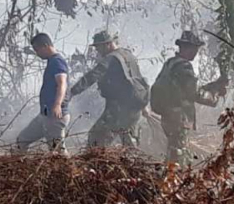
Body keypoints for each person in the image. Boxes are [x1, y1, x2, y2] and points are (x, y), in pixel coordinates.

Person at [151, 31, 225, 164]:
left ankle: (170, 180)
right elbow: (195, 93)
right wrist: (215, 94)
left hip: (168, 117)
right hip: (179, 119)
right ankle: (172, 182)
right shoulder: (184, 66)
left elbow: (184, 89)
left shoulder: (171, 63)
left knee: (174, 152)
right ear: (186, 48)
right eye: (194, 48)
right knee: (178, 156)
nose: (195, 52)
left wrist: (212, 86)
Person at [70, 31, 149, 148]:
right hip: (134, 107)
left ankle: (96, 164)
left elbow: (93, 75)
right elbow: (138, 80)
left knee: (96, 138)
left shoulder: (111, 58)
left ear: (107, 44)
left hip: (119, 108)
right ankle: (133, 163)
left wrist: (72, 92)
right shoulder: (128, 55)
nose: (97, 51)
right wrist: (143, 105)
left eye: (98, 47)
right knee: (128, 141)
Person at [16, 33, 70, 152]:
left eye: (37, 49)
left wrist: (57, 104)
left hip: (55, 117)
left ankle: (73, 171)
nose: (37, 53)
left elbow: (62, 83)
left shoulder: (57, 62)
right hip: (45, 115)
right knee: (22, 140)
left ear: (45, 46)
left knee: (58, 153)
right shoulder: (52, 61)